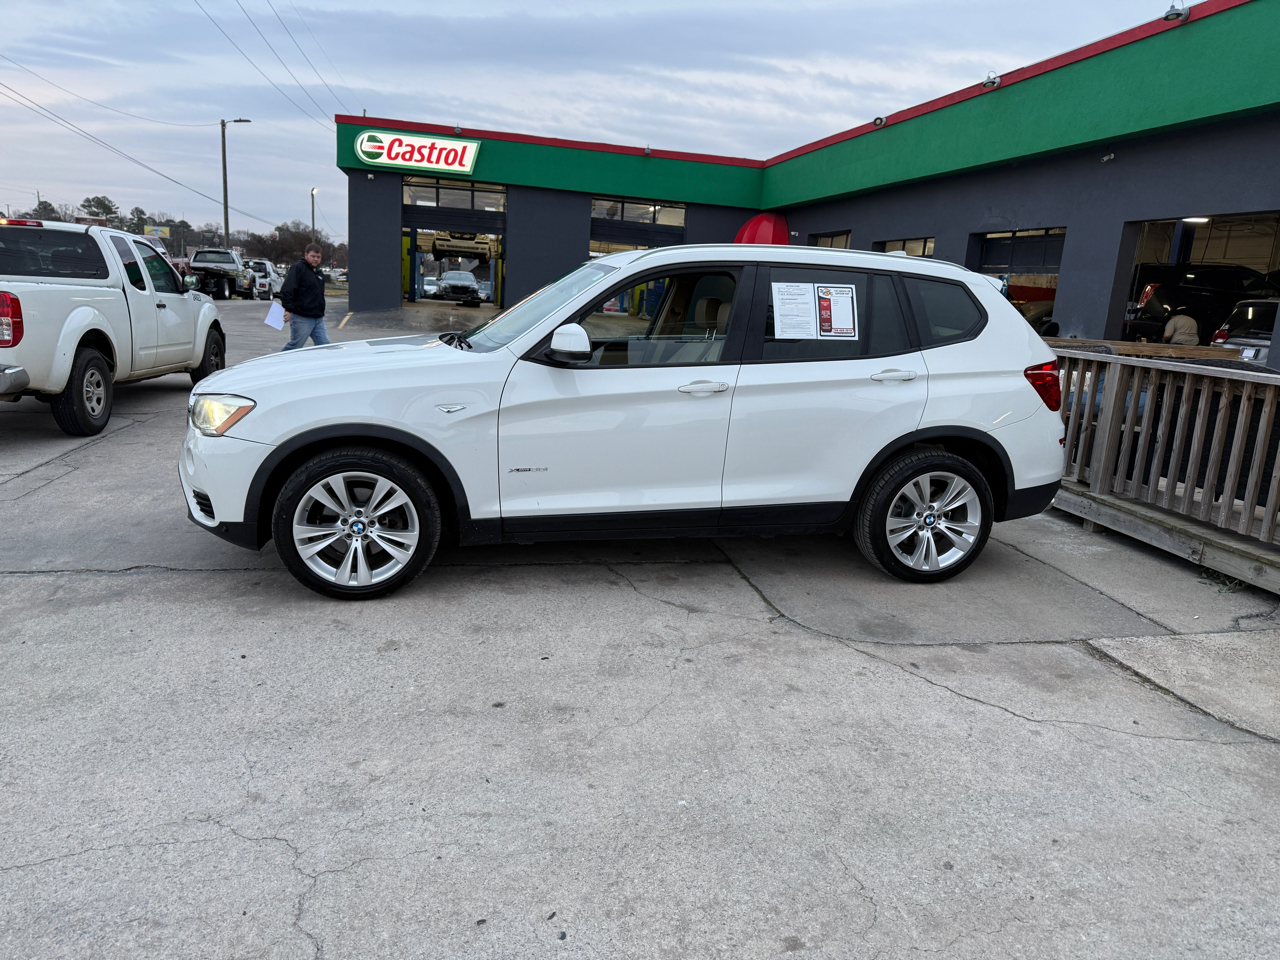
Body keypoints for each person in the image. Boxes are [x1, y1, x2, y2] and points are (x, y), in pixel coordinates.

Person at [279, 243, 330, 351]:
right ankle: (276, 364)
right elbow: (287, 290)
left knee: (325, 346)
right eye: (313, 256)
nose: (315, 259)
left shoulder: (319, 273)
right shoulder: (298, 268)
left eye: (318, 257)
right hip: (301, 317)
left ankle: (322, 367)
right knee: (295, 346)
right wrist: (288, 309)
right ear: (306, 255)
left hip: (318, 317)